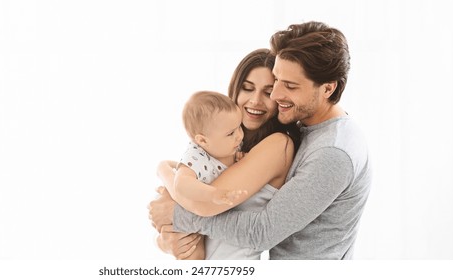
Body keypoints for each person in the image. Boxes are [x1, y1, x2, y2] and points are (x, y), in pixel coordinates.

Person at [149, 21, 372, 259]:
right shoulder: (302, 126)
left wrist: (177, 215)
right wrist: (167, 239)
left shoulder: (332, 152)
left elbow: (261, 232)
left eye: (289, 85)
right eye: (276, 81)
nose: (275, 95)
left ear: (328, 89)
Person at [152, 49, 301, 260]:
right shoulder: (223, 142)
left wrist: (165, 175)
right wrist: (164, 242)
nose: (255, 100)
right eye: (247, 88)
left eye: (267, 93)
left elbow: (203, 204)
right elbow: (193, 180)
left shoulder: (279, 144)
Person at [155, 90, 246, 260]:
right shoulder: (195, 156)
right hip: (182, 215)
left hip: (199, 218)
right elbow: (181, 184)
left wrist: (239, 157)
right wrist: (213, 193)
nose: (239, 135)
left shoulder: (227, 145)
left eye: (239, 127)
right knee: (193, 252)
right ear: (203, 140)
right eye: (231, 133)